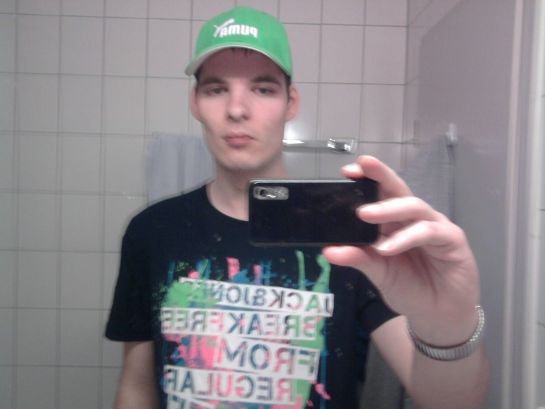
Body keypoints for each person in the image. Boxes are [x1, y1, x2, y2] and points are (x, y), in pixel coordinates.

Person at [105, 6, 489, 409]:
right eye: (216, 89)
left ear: (291, 103)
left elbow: (453, 403)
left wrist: (447, 328)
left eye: (262, 89)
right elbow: (136, 385)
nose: (237, 109)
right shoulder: (152, 230)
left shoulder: (348, 234)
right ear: (195, 103)